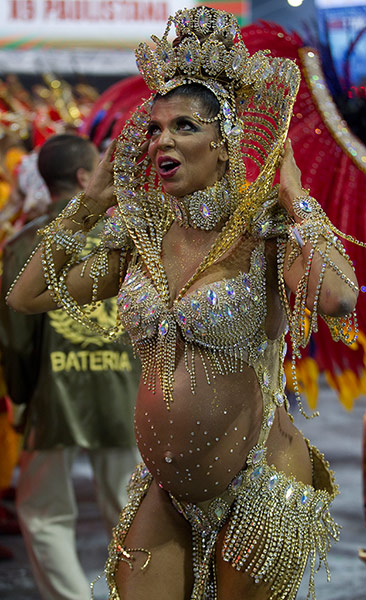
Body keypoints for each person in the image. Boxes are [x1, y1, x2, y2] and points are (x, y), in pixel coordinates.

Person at [6, 7, 361, 600]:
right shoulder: (137, 238)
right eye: (155, 126)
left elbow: (339, 298)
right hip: (163, 488)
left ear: (225, 145)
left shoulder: (266, 234)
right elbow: (26, 295)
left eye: (184, 127)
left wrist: (299, 205)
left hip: (258, 481)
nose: (162, 139)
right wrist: (89, 207)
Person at [1, 133, 140, 600]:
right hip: (125, 393)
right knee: (132, 512)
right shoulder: (128, 234)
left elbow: (16, 340)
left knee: (45, 515)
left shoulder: (23, 244)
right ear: (85, 176)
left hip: (52, 394)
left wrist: (22, 397)